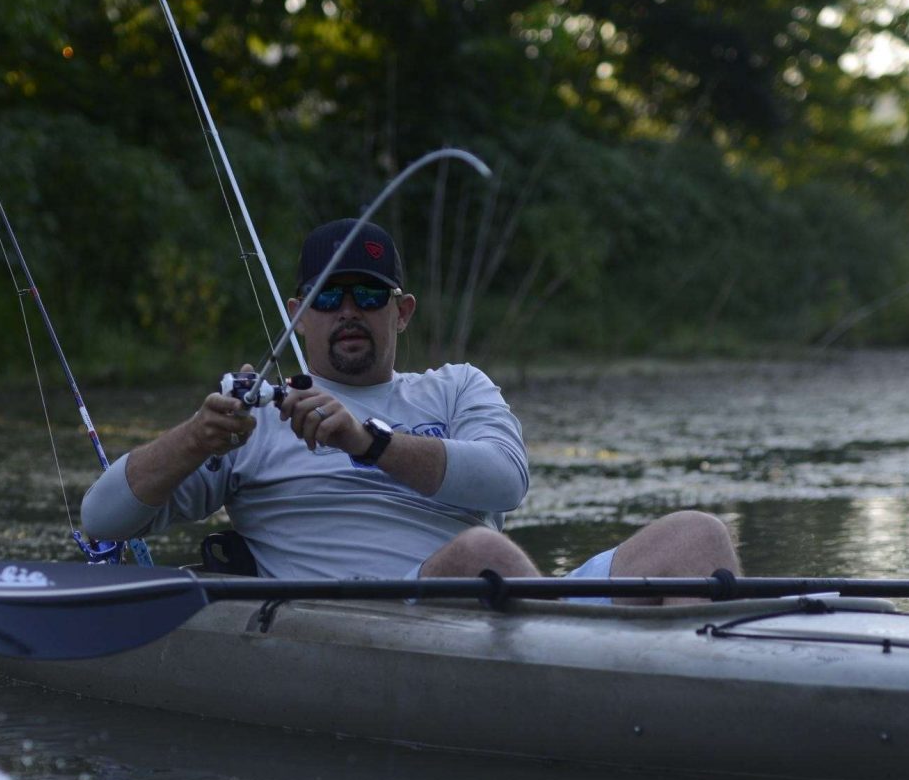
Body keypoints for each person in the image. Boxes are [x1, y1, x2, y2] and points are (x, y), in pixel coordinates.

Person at [79, 218, 738, 597]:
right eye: (328, 297)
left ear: (402, 311)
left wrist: (370, 442)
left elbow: (508, 478)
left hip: (509, 597)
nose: (348, 312)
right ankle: (605, 679)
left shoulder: (455, 387)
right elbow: (101, 517)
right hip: (388, 622)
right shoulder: (251, 416)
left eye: (367, 295)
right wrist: (196, 437)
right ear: (297, 315)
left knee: (697, 534)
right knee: (480, 550)